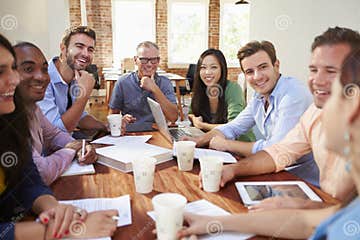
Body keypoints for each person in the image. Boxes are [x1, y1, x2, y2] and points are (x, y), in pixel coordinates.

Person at [176, 38, 360, 240]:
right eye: (314, 70)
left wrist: (225, 145)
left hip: (306, 185)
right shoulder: (313, 113)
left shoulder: (296, 95)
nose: (317, 81)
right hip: (313, 198)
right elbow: (280, 151)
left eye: (332, 71)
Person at [0, 34, 117, 240]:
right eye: (1, 71)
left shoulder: (15, 116)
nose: (13, 79)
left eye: (44, 69)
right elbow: (41, 169)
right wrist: (50, 230)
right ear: (63, 49)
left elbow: (29, 178)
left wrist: (55, 211)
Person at [185, 41, 317, 185]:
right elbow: (233, 126)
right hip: (276, 174)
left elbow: (275, 149)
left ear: (276, 65)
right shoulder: (258, 96)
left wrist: (226, 145)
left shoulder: (293, 95)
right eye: (249, 72)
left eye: (263, 67)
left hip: (307, 181)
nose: (257, 76)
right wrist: (198, 141)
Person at [14, 41, 97, 185]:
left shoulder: (32, 108)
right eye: (28, 69)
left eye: (45, 69)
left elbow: (54, 135)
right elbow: (40, 171)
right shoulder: (9, 116)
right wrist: (71, 150)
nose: (41, 77)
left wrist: (81, 146)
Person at [37, 26, 108, 134]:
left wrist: (105, 126)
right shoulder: (43, 79)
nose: (85, 54)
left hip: (67, 144)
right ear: (63, 48)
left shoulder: (76, 76)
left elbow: (79, 117)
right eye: (79, 46)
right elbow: (56, 132)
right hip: (46, 149)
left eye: (90, 49)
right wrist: (84, 96)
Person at [189, 48, 255, 142]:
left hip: (239, 145)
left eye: (214, 67)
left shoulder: (233, 89)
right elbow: (191, 113)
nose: (207, 72)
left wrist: (202, 125)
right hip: (212, 142)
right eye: (203, 67)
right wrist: (194, 119)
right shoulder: (201, 89)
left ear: (222, 69)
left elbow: (233, 127)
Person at [109, 41, 178, 125]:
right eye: (144, 60)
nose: (149, 64)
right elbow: (112, 115)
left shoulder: (165, 83)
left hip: (158, 132)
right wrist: (121, 120)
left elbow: (173, 118)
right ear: (135, 60)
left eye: (153, 60)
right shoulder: (123, 82)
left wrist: (154, 89)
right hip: (131, 132)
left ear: (158, 60)